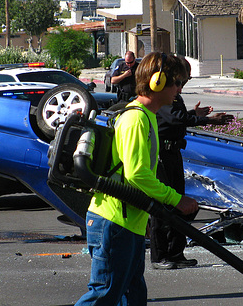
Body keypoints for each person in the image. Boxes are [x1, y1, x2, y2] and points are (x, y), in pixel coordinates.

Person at [75, 52, 198, 306]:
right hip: (113, 222)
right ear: (158, 82)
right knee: (104, 294)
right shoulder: (135, 118)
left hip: (129, 223)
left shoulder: (148, 115)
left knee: (133, 296)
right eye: (176, 83)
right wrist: (176, 199)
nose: (179, 90)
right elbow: (137, 174)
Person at [150, 58, 234, 270]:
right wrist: (208, 120)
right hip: (162, 154)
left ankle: (176, 253)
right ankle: (160, 256)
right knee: (164, 207)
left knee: (179, 204)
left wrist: (193, 115)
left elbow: (177, 117)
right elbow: (173, 118)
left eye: (185, 80)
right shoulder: (162, 94)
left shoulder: (175, 95)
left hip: (174, 152)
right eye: (180, 80)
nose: (182, 84)